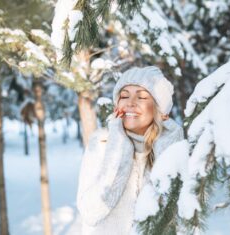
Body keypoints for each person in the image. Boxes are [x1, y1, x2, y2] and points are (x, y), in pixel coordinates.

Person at [77, 66, 184, 235]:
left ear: (159, 109)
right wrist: (119, 148)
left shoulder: (175, 150)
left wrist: (169, 141)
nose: (130, 103)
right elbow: (91, 213)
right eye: (124, 96)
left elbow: (179, 218)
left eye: (141, 97)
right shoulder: (101, 145)